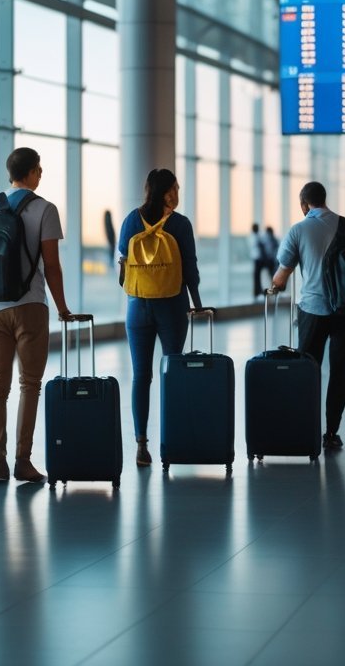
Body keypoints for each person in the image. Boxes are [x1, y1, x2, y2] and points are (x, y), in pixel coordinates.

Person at [0, 147, 72, 485]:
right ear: (30, 173)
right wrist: (62, 307)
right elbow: (52, 266)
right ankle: (22, 460)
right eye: (39, 170)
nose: (41, 176)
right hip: (30, 306)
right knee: (30, 384)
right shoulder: (45, 209)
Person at [270, 181, 345, 449]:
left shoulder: (298, 230)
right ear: (325, 199)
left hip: (313, 309)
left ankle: (305, 428)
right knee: (340, 370)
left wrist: (273, 286)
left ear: (303, 205)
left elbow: (282, 275)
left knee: (308, 369)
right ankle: (331, 432)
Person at [118, 169, 202, 467]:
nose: (177, 193)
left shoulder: (131, 219)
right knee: (172, 371)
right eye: (176, 189)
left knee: (141, 376)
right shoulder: (180, 224)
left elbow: (122, 270)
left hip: (137, 307)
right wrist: (198, 303)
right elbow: (190, 269)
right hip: (172, 306)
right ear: (168, 193)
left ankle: (141, 444)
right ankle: (173, 440)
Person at [249, 222, 267, 297]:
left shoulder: (253, 236)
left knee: (257, 275)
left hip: (256, 258)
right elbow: (260, 246)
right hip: (257, 258)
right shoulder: (255, 237)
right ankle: (257, 291)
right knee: (257, 275)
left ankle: (257, 290)